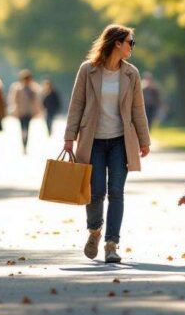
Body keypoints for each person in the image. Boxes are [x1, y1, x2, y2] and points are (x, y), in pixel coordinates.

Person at [64, 24, 151, 263]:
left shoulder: (131, 73)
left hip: (120, 142)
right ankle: (94, 231)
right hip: (93, 141)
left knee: (116, 192)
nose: (132, 47)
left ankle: (111, 244)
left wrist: (144, 140)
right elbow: (76, 104)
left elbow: (138, 109)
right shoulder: (88, 70)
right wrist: (69, 137)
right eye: (130, 42)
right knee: (95, 191)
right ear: (117, 43)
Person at [8, 69, 41, 154]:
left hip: (29, 112)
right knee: (22, 128)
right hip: (21, 112)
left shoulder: (33, 89)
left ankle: (25, 144)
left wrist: (37, 111)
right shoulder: (17, 88)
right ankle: (23, 143)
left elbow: (36, 102)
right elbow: (13, 100)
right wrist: (15, 110)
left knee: (27, 128)